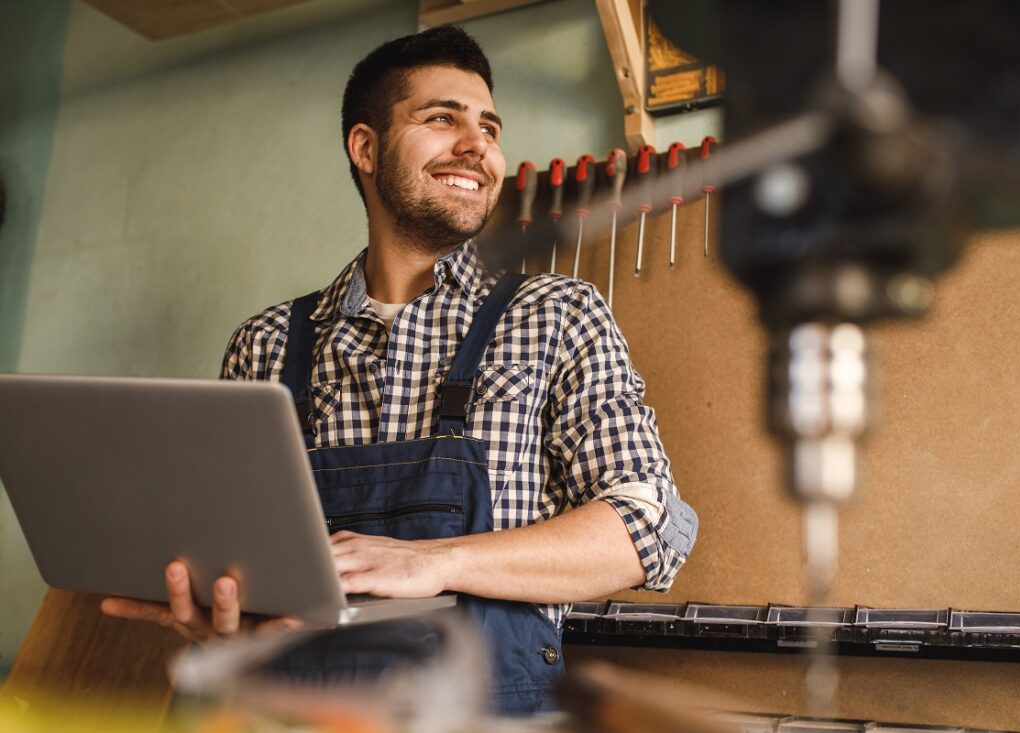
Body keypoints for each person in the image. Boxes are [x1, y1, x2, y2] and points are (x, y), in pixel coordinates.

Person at [102, 24, 697, 714]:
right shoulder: (264, 345)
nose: (479, 146)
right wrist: (219, 610)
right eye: (442, 118)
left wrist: (434, 560)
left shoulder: (556, 314)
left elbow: (646, 523)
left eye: (490, 127)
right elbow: (228, 552)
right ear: (366, 147)